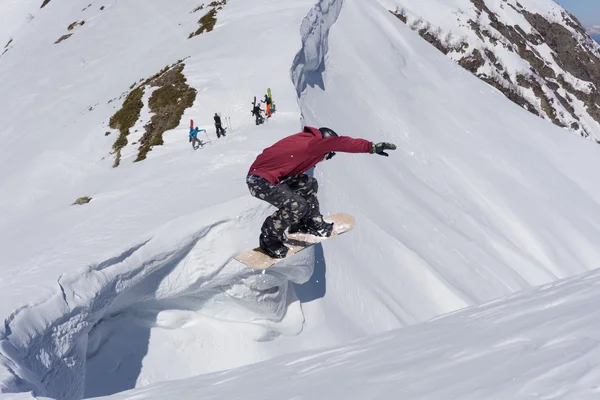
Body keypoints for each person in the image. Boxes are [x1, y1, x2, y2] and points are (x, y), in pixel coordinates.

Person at [246, 126, 397, 258]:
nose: (326, 158)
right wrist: (370, 147)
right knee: (296, 205)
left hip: (268, 177)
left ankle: (309, 223)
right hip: (260, 181)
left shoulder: (306, 141)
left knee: (308, 183)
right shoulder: (313, 143)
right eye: (328, 155)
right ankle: (269, 238)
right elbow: (340, 143)